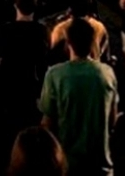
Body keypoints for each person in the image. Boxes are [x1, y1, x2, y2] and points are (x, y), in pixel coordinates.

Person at [40, 18, 118, 176]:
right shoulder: (107, 73)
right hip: (101, 166)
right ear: (92, 42)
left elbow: (48, 124)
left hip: (68, 165)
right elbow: (112, 120)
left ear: (68, 43)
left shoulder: (55, 75)